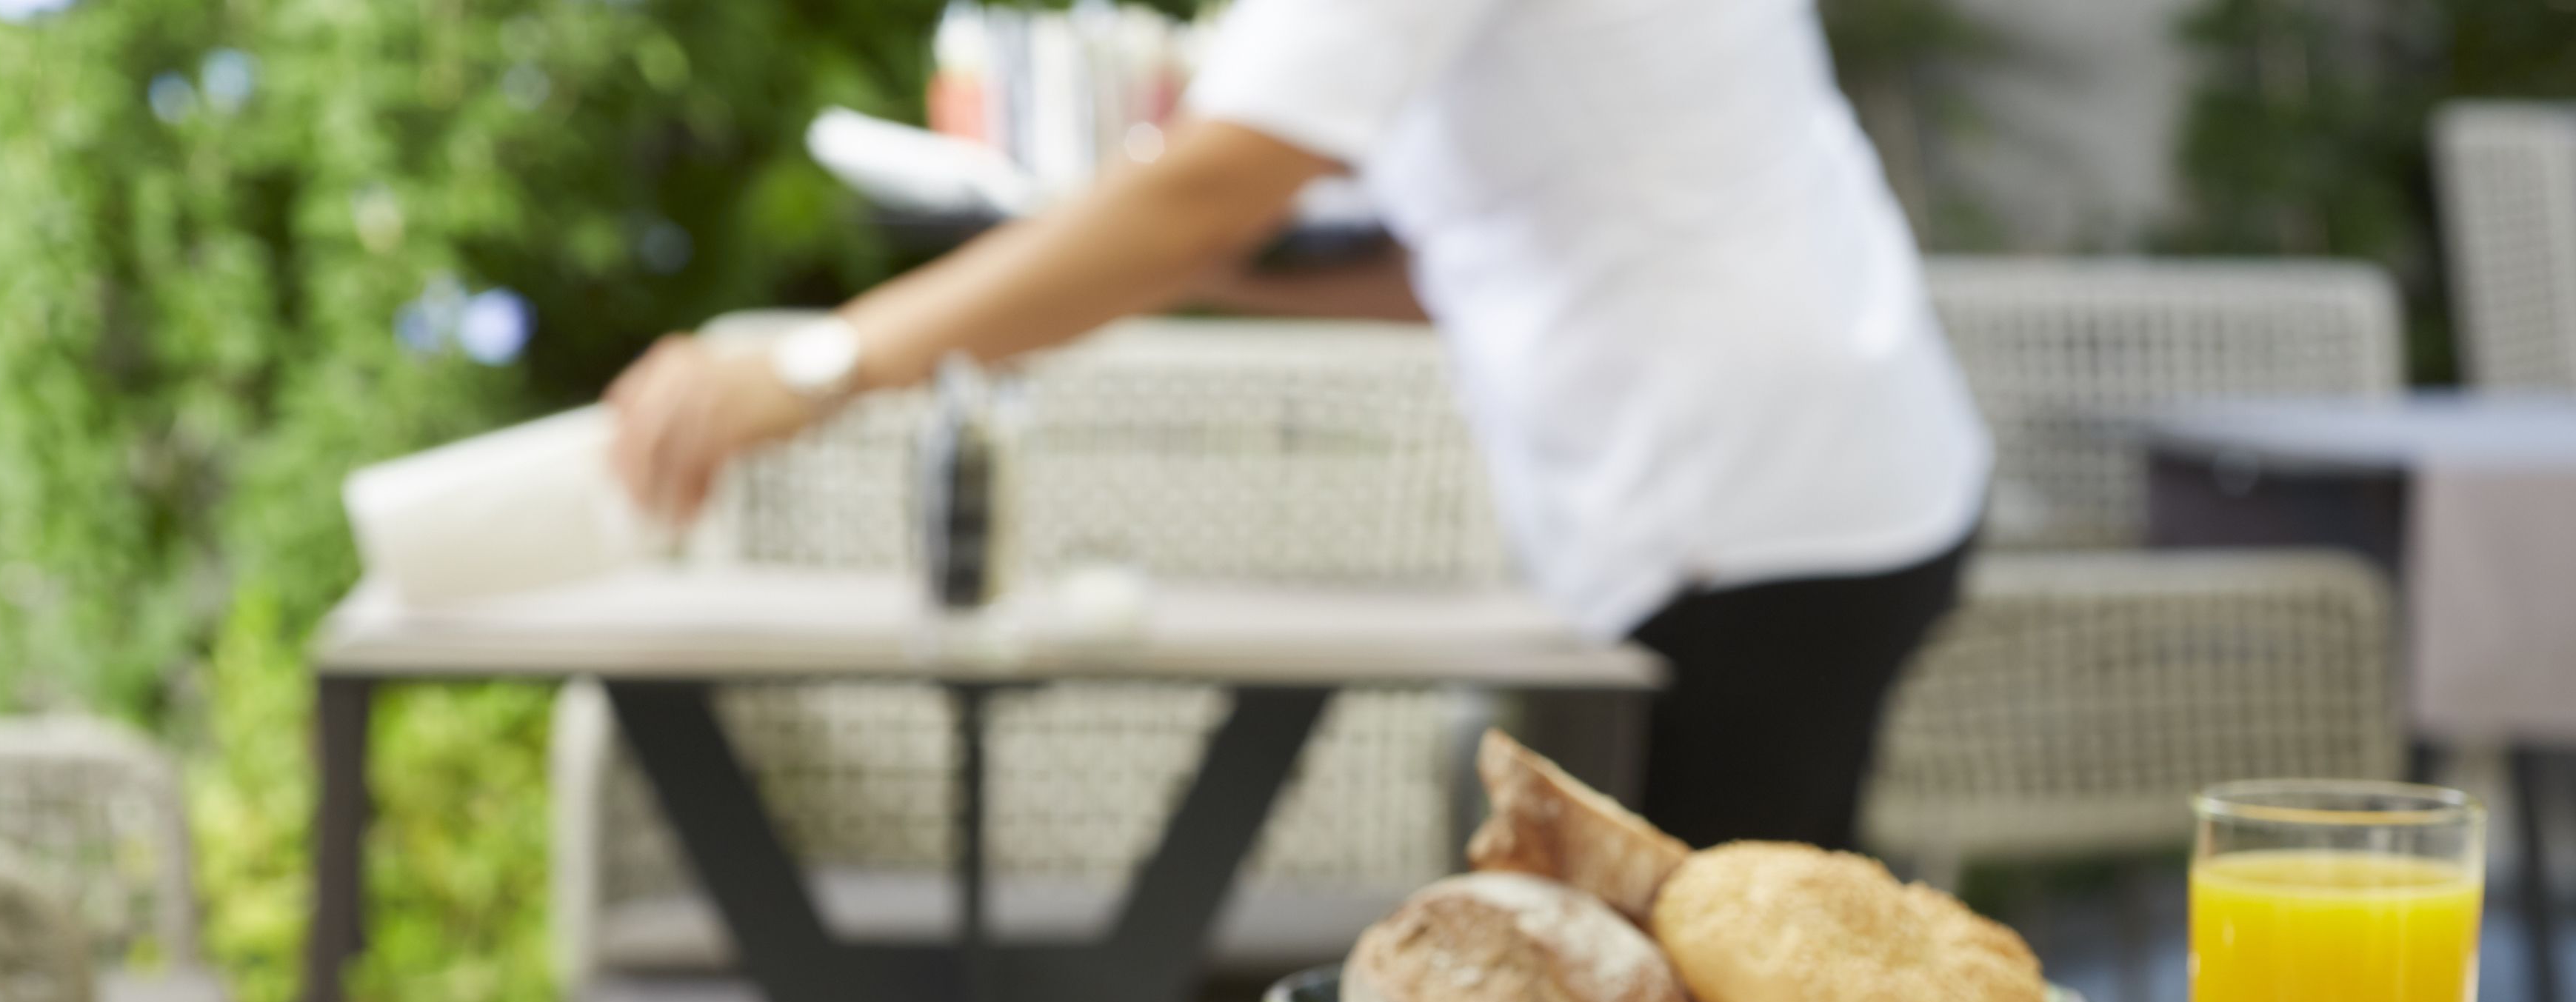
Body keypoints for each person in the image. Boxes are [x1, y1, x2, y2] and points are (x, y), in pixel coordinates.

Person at [609, 0, 1990, 852]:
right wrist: (1169, 253)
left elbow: (1213, 187)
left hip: (1754, 505)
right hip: (1805, 471)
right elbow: (1472, 255)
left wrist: (817, 366)